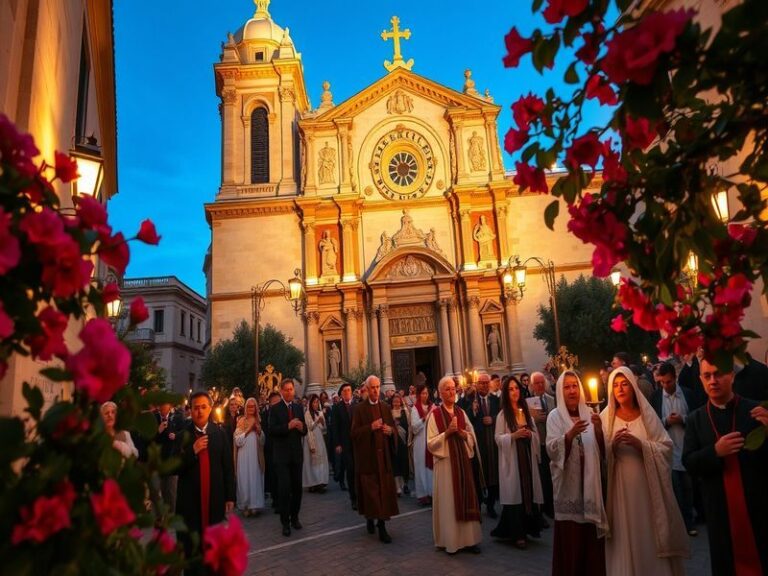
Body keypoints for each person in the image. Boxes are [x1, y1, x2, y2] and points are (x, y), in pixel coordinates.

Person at [683, 356, 768, 575]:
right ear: (701, 379)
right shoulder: (695, 419)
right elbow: (689, 463)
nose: (713, 380)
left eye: (718, 374)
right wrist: (715, 452)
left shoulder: (755, 411)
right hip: (720, 511)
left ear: (731, 375)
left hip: (757, 507)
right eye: (707, 376)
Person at [601, 367, 689, 575]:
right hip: (620, 488)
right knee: (625, 533)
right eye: (615, 385)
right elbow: (599, 454)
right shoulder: (606, 418)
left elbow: (665, 447)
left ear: (632, 387)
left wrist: (641, 445)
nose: (620, 389)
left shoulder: (647, 415)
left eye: (624, 384)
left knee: (648, 532)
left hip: (647, 488)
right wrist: (611, 447)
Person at [546, 371, 607, 576]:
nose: (572, 390)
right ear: (560, 391)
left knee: (590, 540)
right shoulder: (555, 416)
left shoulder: (590, 414)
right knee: (572, 540)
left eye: (575, 386)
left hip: (590, 486)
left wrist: (599, 431)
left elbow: (602, 451)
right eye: (567, 386)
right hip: (569, 488)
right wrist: (569, 436)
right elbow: (551, 449)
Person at [176, 392, 235, 567]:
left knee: (213, 548)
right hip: (190, 503)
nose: (200, 411)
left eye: (203, 407)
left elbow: (227, 467)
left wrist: (230, 496)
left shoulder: (219, 433)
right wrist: (192, 451)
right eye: (196, 408)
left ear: (210, 409)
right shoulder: (182, 436)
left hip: (214, 499)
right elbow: (172, 466)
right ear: (190, 410)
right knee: (192, 552)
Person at [427, 376, 482, 555]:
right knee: (450, 502)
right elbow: (430, 443)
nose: (452, 392)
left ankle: (470, 540)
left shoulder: (460, 412)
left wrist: (464, 435)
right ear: (440, 393)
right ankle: (452, 541)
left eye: (453, 388)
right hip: (446, 465)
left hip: (462, 464)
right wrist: (447, 433)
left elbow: (471, 436)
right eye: (447, 389)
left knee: (466, 497)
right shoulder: (434, 415)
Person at [491, 375, 543, 548]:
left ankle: (529, 528)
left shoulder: (526, 411)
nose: (514, 392)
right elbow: (498, 438)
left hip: (526, 459)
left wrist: (530, 435)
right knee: (515, 494)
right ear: (506, 393)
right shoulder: (502, 415)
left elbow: (535, 434)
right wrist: (513, 436)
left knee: (527, 491)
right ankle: (517, 533)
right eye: (510, 389)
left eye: (517, 388)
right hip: (513, 460)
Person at [650, 362, 697, 535]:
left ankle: (689, 522)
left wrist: (683, 419)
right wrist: (666, 422)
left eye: (668, 382)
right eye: (661, 383)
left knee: (688, 488)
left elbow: (696, 417)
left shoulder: (688, 394)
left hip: (686, 448)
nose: (665, 386)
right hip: (667, 452)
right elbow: (652, 424)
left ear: (674, 378)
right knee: (674, 489)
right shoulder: (656, 397)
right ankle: (678, 524)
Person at [351, 375, 399, 543]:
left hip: (383, 458)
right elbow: (354, 434)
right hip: (368, 458)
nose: (376, 390)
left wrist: (390, 431)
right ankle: (370, 518)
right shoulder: (359, 409)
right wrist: (370, 427)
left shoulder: (385, 407)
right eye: (373, 387)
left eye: (378, 387)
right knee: (371, 494)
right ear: (367, 389)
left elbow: (393, 428)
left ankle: (382, 525)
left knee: (383, 492)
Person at [268, 378, 307, 537]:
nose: (290, 392)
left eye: (291, 389)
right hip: (282, 456)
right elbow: (272, 430)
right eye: (287, 389)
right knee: (284, 490)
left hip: (296, 455)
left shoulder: (298, 407)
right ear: (282, 391)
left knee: (297, 488)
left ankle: (295, 517)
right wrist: (288, 426)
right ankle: (285, 522)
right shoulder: (275, 408)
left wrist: (301, 427)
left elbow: (304, 431)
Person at [468, 373, 500, 518]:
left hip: (493, 443)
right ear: (476, 384)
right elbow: (466, 419)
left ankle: (491, 504)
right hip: (479, 443)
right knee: (479, 474)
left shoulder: (496, 400)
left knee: (494, 474)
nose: (484, 385)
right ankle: (479, 503)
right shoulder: (470, 401)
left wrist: (492, 419)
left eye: (486, 383)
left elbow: (502, 415)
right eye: (481, 383)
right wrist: (473, 411)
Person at [528, 371, 556, 519]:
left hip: (552, 441)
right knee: (543, 475)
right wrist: (534, 419)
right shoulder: (529, 403)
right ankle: (545, 506)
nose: (539, 385)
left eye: (541, 383)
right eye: (536, 383)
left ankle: (554, 503)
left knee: (553, 475)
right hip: (540, 443)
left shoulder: (552, 400)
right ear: (532, 386)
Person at [234, 397, 265, 517]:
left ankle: (254, 505)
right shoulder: (241, 421)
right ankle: (245, 505)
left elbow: (262, 441)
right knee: (245, 479)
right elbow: (237, 440)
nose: (251, 409)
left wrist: (258, 432)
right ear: (246, 408)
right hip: (243, 456)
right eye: (249, 406)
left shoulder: (258, 420)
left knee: (255, 478)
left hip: (256, 455)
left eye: (253, 406)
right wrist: (248, 430)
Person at [331, 382, 357, 508]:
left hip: (357, 443)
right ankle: (353, 498)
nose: (347, 392)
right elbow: (334, 427)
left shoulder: (356, 406)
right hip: (345, 444)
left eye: (349, 390)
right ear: (341, 393)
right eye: (345, 390)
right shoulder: (337, 407)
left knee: (358, 471)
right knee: (351, 470)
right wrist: (337, 444)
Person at [155, 402, 183, 514]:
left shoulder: (177, 418)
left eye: (164, 405)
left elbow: (184, 432)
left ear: (169, 406)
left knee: (171, 490)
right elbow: (148, 439)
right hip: (160, 460)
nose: (162, 408)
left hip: (172, 459)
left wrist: (176, 436)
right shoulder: (154, 418)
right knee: (161, 489)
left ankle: (172, 514)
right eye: (160, 406)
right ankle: (162, 514)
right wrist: (158, 431)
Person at [409, 383, 433, 506]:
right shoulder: (415, 408)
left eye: (426, 393)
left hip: (431, 440)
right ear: (419, 395)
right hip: (420, 441)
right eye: (423, 393)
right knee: (421, 468)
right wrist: (424, 418)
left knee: (430, 468)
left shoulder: (432, 406)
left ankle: (432, 493)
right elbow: (414, 427)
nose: (425, 395)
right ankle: (422, 494)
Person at [302, 394, 329, 493]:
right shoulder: (307, 413)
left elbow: (324, 429)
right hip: (311, 439)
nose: (316, 404)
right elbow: (310, 426)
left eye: (317, 402)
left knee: (321, 460)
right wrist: (318, 420)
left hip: (320, 439)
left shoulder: (319, 413)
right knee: (312, 462)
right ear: (311, 403)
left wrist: (322, 422)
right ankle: (314, 483)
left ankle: (321, 481)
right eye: (314, 402)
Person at [262, 391, 282, 512]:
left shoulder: (284, 413)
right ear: (270, 403)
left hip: (282, 449)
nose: (276, 405)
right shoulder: (265, 415)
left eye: (278, 402)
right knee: (273, 476)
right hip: (270, 449)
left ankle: (283, 499)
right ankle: (276, 499)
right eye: (273, 403)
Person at [389, 394, 410, 496]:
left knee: (404, 463)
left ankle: (405, 484)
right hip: (394, 442)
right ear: (392, 402)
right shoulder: (389, 413)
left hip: (404, 441)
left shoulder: (405, 412)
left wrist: (399, 425)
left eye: (398, 401)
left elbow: (408, 425)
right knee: (395, 464)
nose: (396, 403)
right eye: (394, 401)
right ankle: (397, 487)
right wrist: (394, 427)